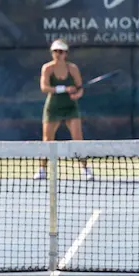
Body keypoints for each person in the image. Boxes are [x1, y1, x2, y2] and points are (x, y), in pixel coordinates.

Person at [36, 39, 92, 181]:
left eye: (60, 51)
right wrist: (65, 89)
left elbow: (80, 88)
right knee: (48, 140)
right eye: (55, 51)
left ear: (65, 53)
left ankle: (85, 169)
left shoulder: (73, 68)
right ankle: (42, 169)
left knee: (78, 140)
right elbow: (44, 87)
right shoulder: (47, 68)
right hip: (53, 108)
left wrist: (76, 94)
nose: (57, 54)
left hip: (70, 107)